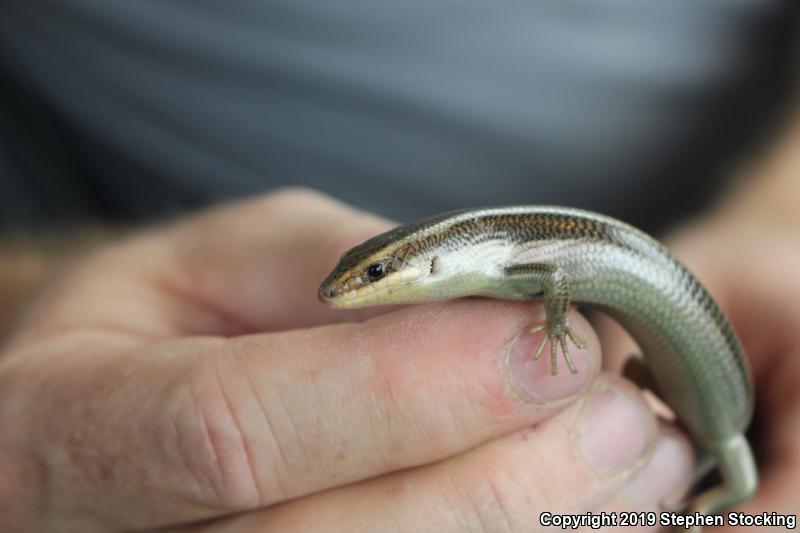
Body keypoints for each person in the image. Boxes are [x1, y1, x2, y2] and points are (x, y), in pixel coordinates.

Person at [1, 2, 799, 532]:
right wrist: (33, 308)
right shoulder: (487, 254)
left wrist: (785, 213)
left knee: (728, 467)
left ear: (421, 261)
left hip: (726, 347)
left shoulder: (508, 249)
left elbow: (556, 279)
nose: (357, 290)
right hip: (140, 241)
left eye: (375, 276)